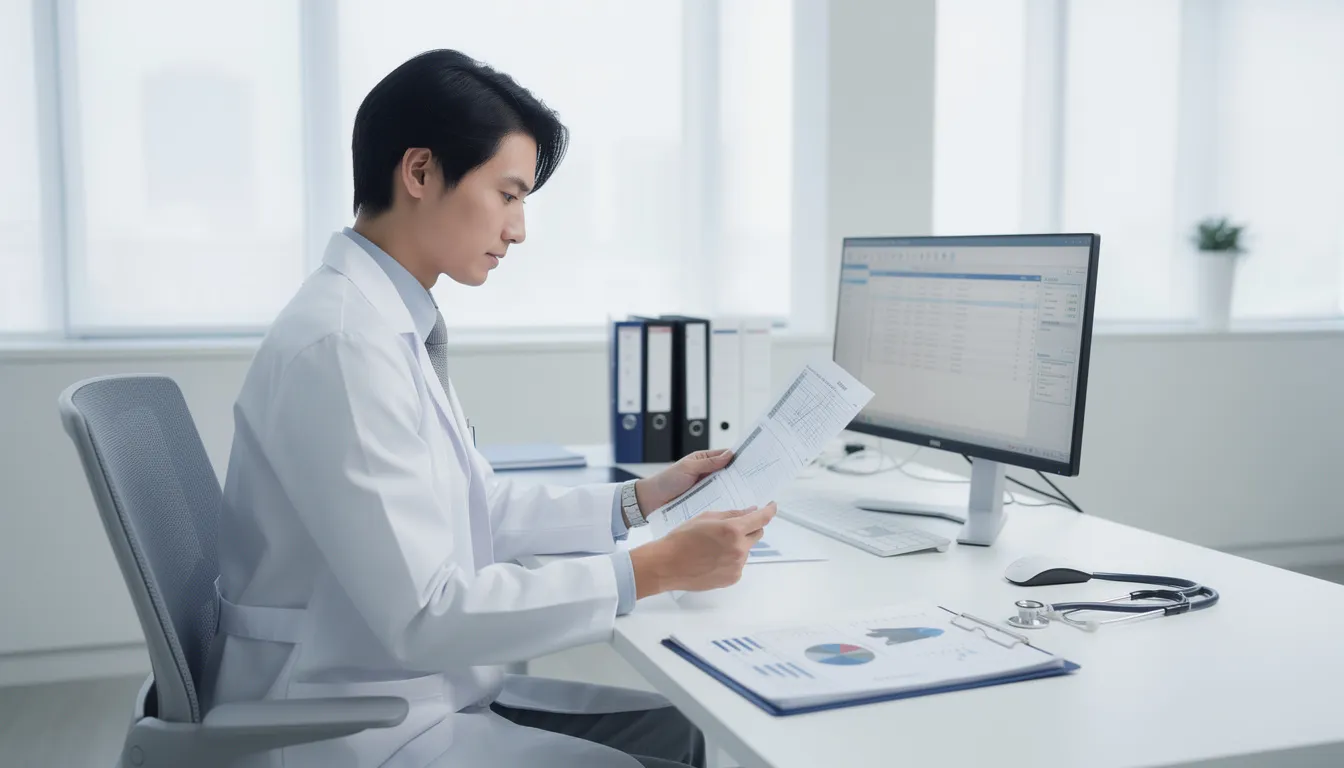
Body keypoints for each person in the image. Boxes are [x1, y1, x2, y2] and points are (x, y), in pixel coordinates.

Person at [204, 49, 777, 768]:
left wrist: (639, 502)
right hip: (348, 721)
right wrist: (650, 570)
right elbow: (425, 615)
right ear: (420, 173)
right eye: (508, 195)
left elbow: (476, 509)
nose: (519, 228)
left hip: (409, 687)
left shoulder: (386, 320)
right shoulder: (344, 344)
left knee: (676, 730)